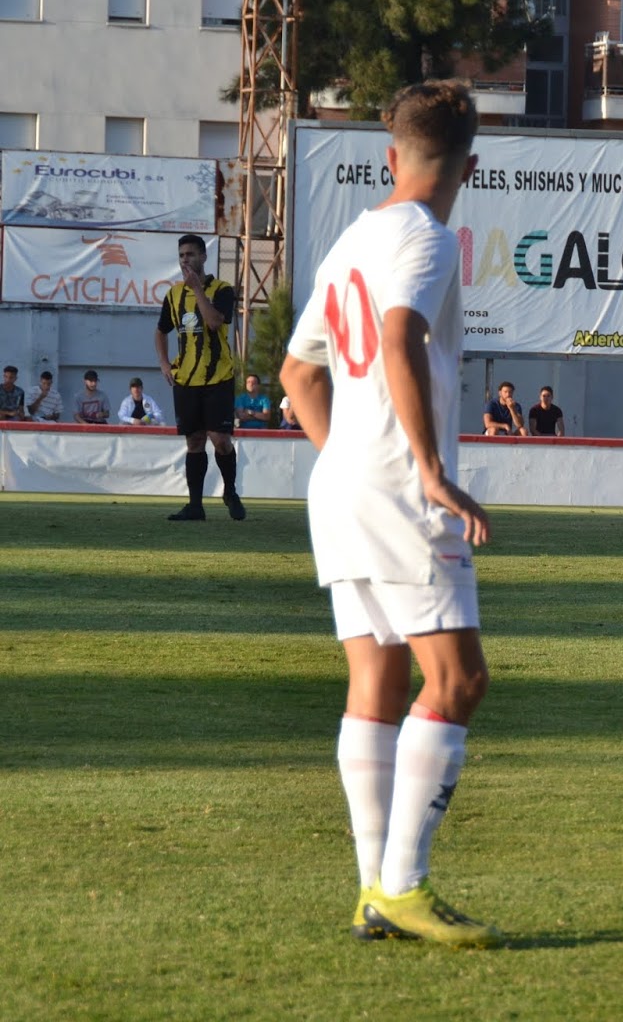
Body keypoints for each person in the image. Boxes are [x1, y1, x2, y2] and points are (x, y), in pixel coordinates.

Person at [278, 78, 503, 948]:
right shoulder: (429, 237)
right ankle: (403, 887)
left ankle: (373, 891)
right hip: (399, 489)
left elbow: (299, 374)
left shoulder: (351, 240)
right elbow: (401, 332)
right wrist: (429, 469)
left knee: (377, 680)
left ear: (389, 156)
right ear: (470, 168)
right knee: (458, 681)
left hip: (341, 482)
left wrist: (347, 457)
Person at [156, 234, 245, 521]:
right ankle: (195, 506)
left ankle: (229, 491)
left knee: (220, 439)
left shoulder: (222, 290)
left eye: (191, 254)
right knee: (194, 441)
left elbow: (215, 322)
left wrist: (197, 289)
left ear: (204, 257)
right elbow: (161, 330)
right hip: (185, 380)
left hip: (218, 376)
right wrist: (164, 363)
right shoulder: (173, 295)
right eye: (182, 255)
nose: (186, 260)